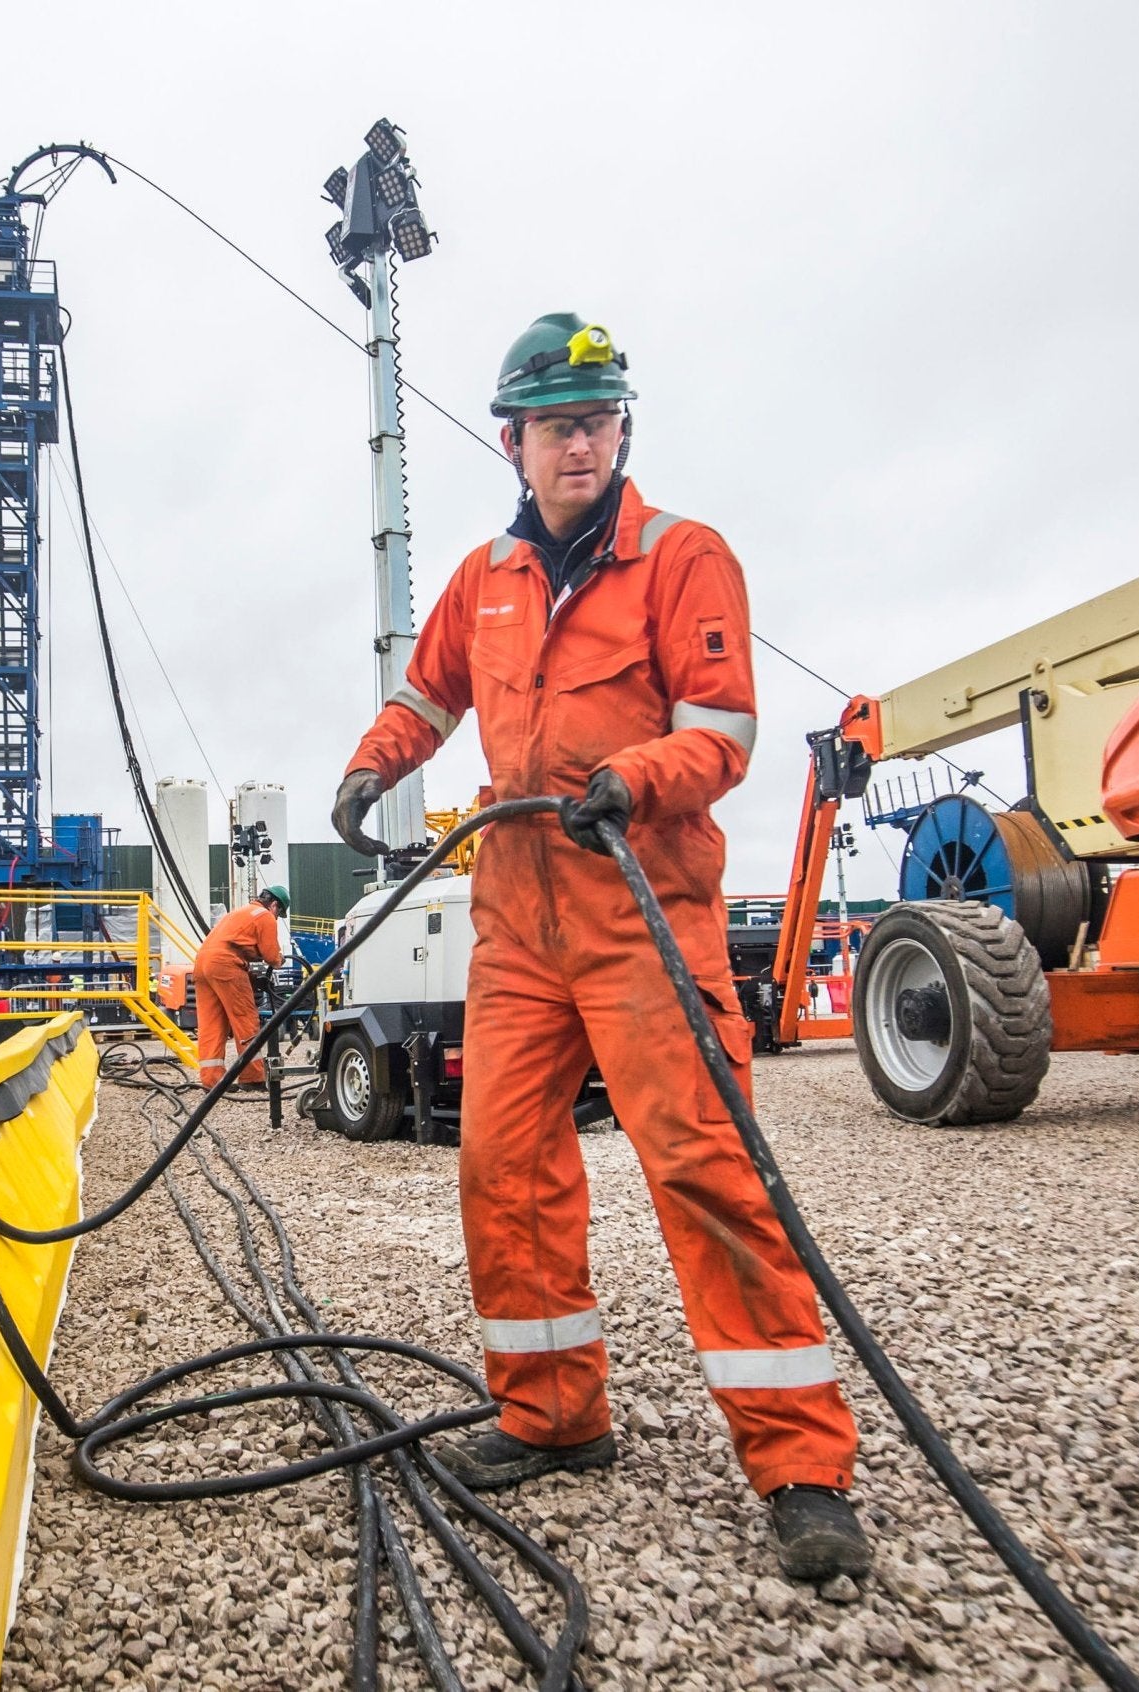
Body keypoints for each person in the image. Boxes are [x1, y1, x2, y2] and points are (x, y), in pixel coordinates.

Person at [329, 313, 867, 1583]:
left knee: (705, 1172)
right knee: (502, 1165)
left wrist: (634, 778)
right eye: (557, 424)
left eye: (600, 418)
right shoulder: (484, 581)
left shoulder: (684, 560)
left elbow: (723, 732)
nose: (581, 441)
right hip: (518, 923)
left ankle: (799, 1462)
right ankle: (551, 1415)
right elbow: (427, 696)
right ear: (510, 442)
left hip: (641, 910)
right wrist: (370, 767)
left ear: (623, 431)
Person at [192, 885, 287, 1089]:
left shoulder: (239, 913)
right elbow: (271, 956)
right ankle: (252, 1078)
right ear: (275, 905)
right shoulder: (265, 916)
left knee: (211, 1023)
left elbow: (235, 944)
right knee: (245, 1019)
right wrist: (280, 960)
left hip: (202, 962)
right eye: (279, 913)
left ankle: (212, 1081)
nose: (277, 918)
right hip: (225, 963)